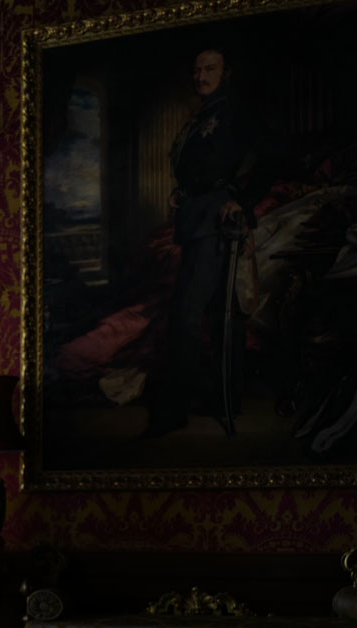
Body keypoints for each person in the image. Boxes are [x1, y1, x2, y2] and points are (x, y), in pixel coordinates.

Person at [147, 46, 268, 437]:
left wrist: (240, 200)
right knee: (217, 314)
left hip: (216, 221)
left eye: (209, 68)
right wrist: (181, 193)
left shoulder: (233, 112)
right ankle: (224, 397)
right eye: (197, 68)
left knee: (187, 312)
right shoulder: (202, 116)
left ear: (225, 72)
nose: (200, 75)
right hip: (196, 217)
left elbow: (265, 158)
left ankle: (175, 409)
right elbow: (197, 168)